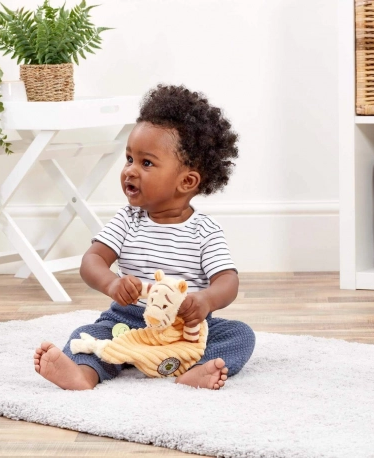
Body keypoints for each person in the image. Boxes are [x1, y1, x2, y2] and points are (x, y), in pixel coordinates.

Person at [34, 83, 255, 390]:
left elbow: (228, 280)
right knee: (89, 334)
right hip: (128, 322)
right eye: (129, 159)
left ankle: (198, 371)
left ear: (187, 181)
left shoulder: (205, 231)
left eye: (146, 163)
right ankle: (82, 373)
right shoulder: (127, 220)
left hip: (185, 331)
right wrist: (111, 283)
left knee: (240, 334)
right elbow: (92, 259)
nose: (130, 171)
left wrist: (205, 300)